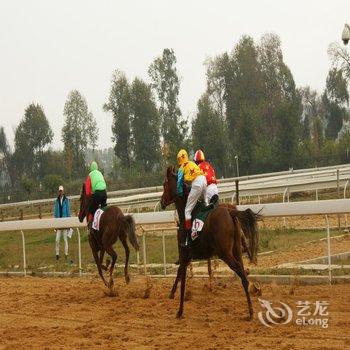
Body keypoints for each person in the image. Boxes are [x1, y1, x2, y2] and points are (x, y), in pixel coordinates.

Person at [176, 149, 207, 245]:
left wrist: (180, 194)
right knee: (204, 204)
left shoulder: (181, 167)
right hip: (204, 181)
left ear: (178, 160)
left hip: (197, 184)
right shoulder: (192, 163)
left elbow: (179, 183)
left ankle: (189, 237)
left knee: (187, 211)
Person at [85, 161, 107, 228]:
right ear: (97, 167)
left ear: (91, 168)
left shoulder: (90, 175)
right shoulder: (100, 173)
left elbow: (87, 191)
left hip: (97, 193)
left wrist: (89, 195)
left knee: (92, 210)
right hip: (104, 192)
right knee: (103, 208)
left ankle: (90, 225)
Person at [53, 185, 71, 260]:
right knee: (57, 240)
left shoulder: (66, 200)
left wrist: (69, 223)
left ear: (63, 191)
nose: (60, 192)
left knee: (65, 239)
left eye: (61, 191)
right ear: (59, 191)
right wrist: (55, 224)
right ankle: (57, 254)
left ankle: (66, 254)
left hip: (65, 222)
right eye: (59, 191)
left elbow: (68, 212)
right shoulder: (56, 201)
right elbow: (55, 212)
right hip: (58, 223)